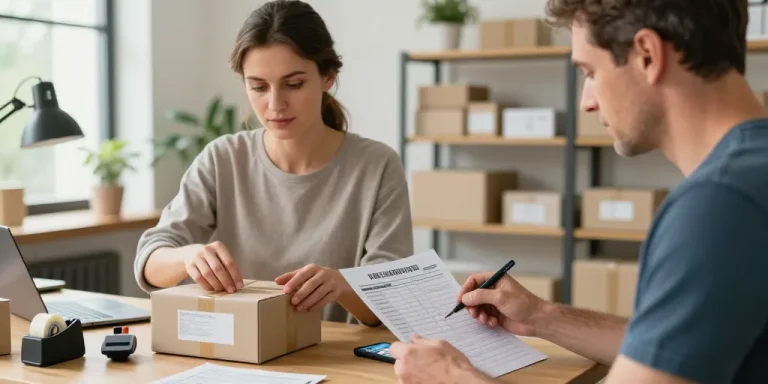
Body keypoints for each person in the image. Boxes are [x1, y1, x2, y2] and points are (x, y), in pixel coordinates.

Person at [391, 0, 768, 383]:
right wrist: (541, 316)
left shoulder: (719, 206)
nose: (587, 102)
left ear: (648, 55)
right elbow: (671, 349)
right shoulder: (750, 175)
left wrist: (453, 377)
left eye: (590, 72)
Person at [133, 0, 413, 326]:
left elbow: (393, 300)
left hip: (335, 356)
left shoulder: (377, 166)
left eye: (293, 84)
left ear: (328, 77)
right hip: (239, 351)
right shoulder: (223, 158)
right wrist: (189, 256)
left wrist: (342, 284)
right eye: (258, 87)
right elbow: (150, 262)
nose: (275, 104)